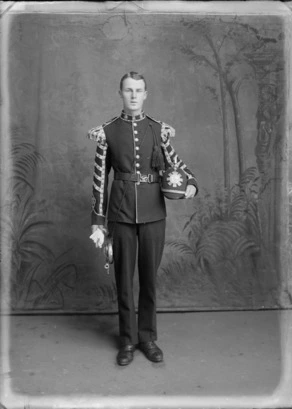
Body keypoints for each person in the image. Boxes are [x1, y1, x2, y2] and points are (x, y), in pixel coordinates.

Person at [87, 72, 198, 366]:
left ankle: (147, 338)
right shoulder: (107, 132)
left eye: (138, 90)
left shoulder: (158, 130)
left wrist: (191, 184)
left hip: (153, 213)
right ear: (120, 93)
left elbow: (178, 163)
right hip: (121, 214)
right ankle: (127, 340)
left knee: (149, 279)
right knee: (123, 280)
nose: (133, 95)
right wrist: (98, 221)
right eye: (128, 90)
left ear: (146, 94)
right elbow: (100, 179)